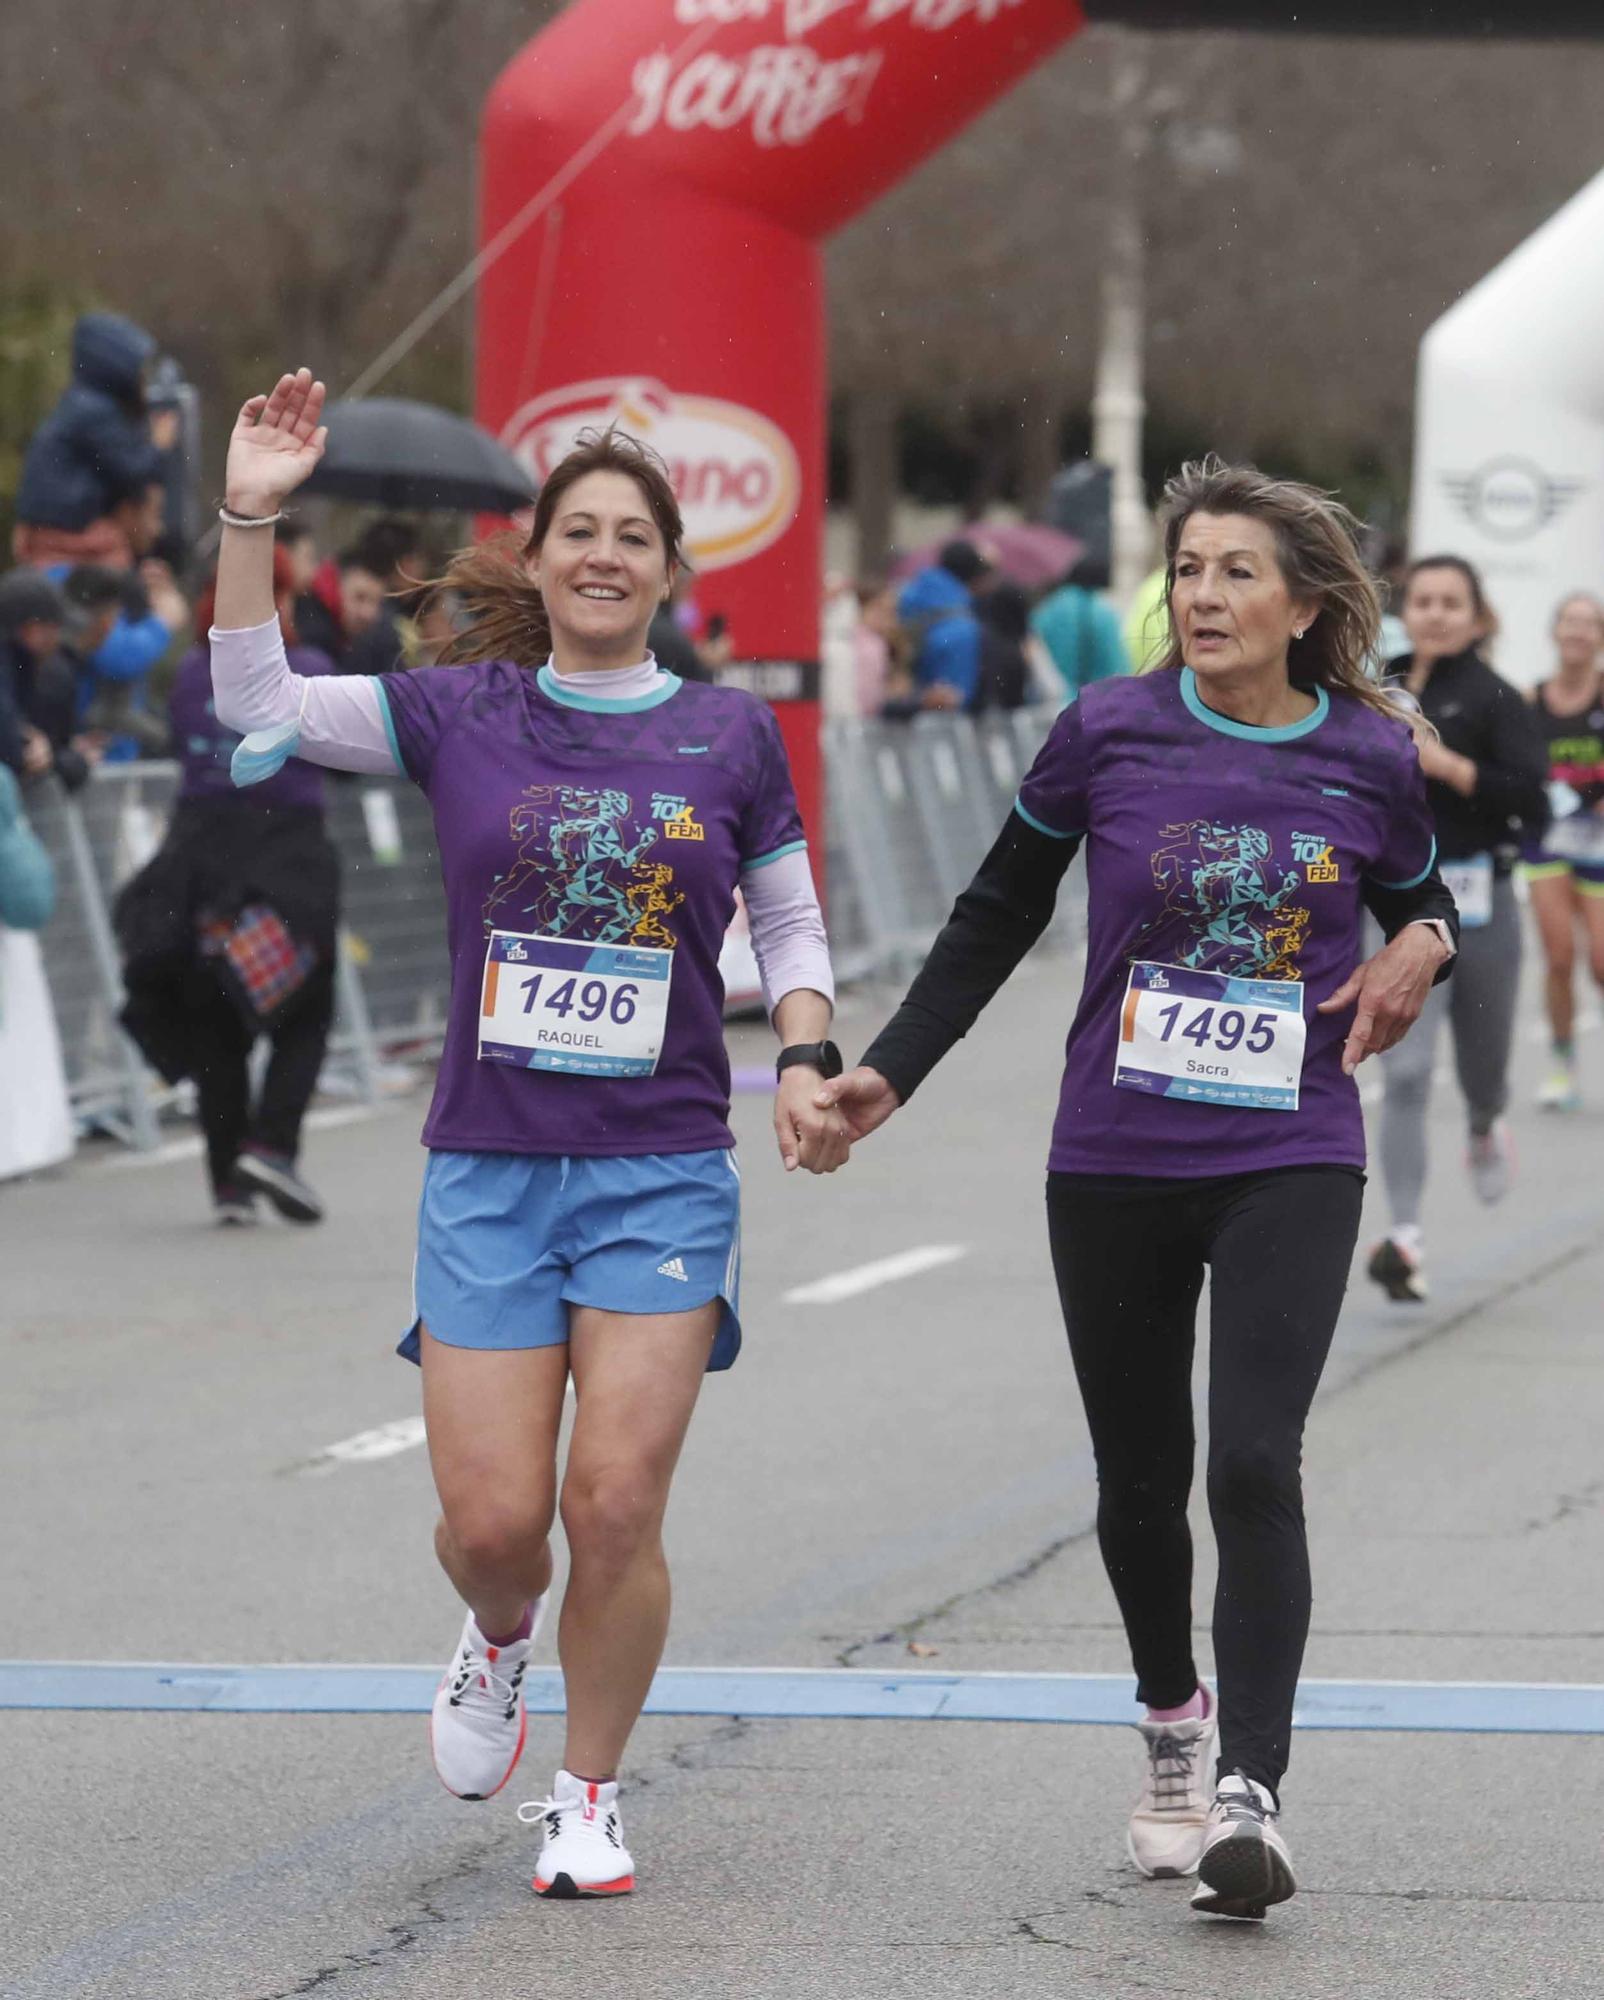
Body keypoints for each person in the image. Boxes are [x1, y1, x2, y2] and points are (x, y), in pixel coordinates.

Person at [207, 370, 842, 1897]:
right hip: (490, 1167)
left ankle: (589, 1794)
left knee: (613, 1503)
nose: (606, 555)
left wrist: (811, 1056)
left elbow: (790, 918)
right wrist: (248, 517)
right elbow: (258, 706)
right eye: (580, 533)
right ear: (540, 558)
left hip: (661, 1168)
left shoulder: (728, 735)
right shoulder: (458, 712)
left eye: (635, 534)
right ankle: (499, 1638)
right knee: (499, 1528)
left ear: (669, 571)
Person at [816, 457, 1457, 1923]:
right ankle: (1173, 1717)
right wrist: (887, 1076)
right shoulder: (1105, 728)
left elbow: (1425, 889)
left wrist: (1428, 942)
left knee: (1252, 1460)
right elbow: (995, 913)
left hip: (1291, 1142)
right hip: (1114, 1151)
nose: (1206, 594)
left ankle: (1253, 1791)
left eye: (1239, 572)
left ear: (1304, 607)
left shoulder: (1366, 752)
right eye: (1189, 569)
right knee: (1140, 1482)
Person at [115, 547, 340, 1225]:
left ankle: (227, 1182)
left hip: (199, 859)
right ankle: (272, 1143)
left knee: (216, 1015)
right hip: (285, 856)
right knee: (308, 1004)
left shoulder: (189, 674)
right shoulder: (309, 670)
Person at [1365, 555, 1549, 1306]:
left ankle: (1484, 1120)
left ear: (1477, 616)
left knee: (1482, 1065)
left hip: (1483, 905)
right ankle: (1404, 1236)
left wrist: (1446, 765)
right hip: (1403, 912)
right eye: (1423, 600)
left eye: (1451, 602)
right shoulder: (1380, 687)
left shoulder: (1498, 698)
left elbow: (1532, 801)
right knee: (1404, 1072)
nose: (1436, 613)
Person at [1521, 593, 1604, 1111]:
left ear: (1598, 639)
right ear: (1555, 633)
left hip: (1598, 847)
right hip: (1547, 842)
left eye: (1588, 625)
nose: (1577, 633)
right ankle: (1561, 1063)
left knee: (1600, 962)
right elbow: (1520, 768)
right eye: (1569, 623)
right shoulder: (1532, 703)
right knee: (1558, 955)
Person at [12, 312, 177, 569]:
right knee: (114, 573)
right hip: (68, 532)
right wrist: (159, 445)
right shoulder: (95, 411)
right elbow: (133, 471)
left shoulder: (83, 402)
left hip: (54, 526)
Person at [894, 539, 992, 712]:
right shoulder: (961, 625)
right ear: (975, 575)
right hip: (935, 727)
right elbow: (957, 697)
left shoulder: (907, 596)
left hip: (894, 714)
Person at [1031, 554, 1131, 700]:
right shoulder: (1105, 612)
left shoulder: (1048, 609)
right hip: (1098, 703)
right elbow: (1118, 664)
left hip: (1053, 702)